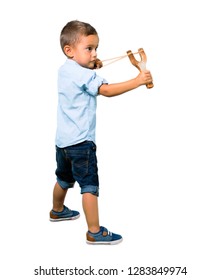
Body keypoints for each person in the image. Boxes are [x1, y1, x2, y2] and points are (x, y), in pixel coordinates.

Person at [50, 20, 153, 245]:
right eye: (89, 48)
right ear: (69, 50)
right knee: (89, 186)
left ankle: (57, 210)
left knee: (63, 178)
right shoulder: (84, 76)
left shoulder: (65, 69)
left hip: (63, 142)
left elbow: (82, 73)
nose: (95, 53)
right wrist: (137, 80)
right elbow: (105, 90)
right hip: (81, 143)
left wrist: (90, 64)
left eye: (96, 48)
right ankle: (94, 232)